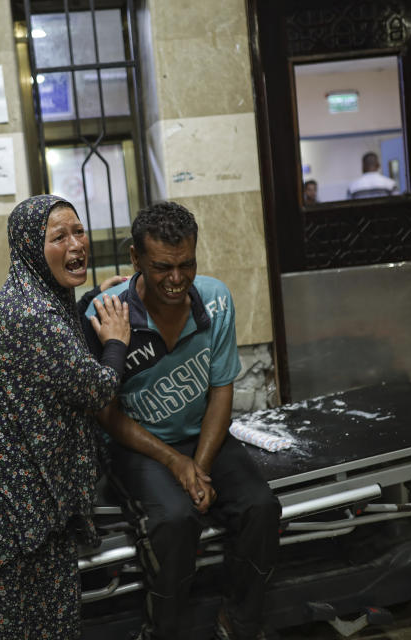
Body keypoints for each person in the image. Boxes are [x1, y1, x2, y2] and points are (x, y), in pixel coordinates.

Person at [0, 195, 131, 640]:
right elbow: (95, 389)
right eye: (58, 237)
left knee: (48, 621)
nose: (76, 244)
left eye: (79, 231)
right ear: (30, 249)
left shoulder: (38, 296)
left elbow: (60, 341)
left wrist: (97, 296)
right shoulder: (31, 314)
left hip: (21, 498)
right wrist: (116, 341)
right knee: (5, 625)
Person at [84, 202, 282, 640]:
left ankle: (240, 622)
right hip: (138, 447)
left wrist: (202, 467)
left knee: (262, 508)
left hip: (203, 438)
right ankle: (162, 632)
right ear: (135, 258)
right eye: (162, 267)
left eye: (186, 264)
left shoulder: (215, 299)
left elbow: (220, 390)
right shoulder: (107, 314)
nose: (177, 279)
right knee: (174, 521)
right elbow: (106, 412)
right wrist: (176, 464)